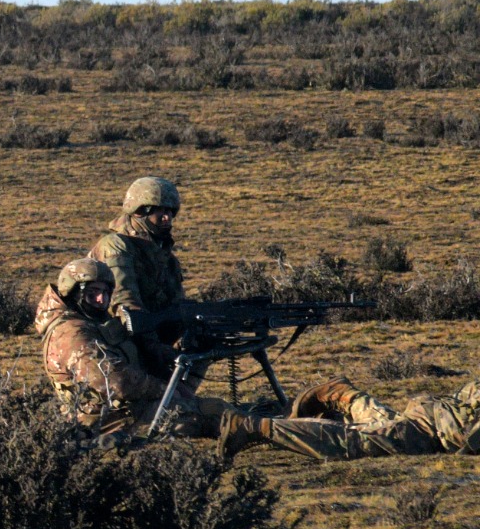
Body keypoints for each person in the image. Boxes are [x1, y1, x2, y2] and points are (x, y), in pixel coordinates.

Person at [36, 257, 230, 438]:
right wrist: (166, 390)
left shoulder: (96, 322)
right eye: (92, 293)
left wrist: (185, 353)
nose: (100, 300)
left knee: (214, 409)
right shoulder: (71, 333)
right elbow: (113, 381)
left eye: (105, 293)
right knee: (211, 415)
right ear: (73, 293)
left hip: (123, 411)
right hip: (105, 422)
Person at [87, 176, 201, 390]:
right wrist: (155, 348)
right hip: (113, 343)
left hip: (143, 339)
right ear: (140, 211)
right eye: (160, 212)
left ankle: (180, 397)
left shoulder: (165, 257)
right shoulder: (116, 247)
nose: (167, 218)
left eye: (170, 212)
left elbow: (176, 306)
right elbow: (125, 306)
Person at [220, 378, 480, 461]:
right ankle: (258, 428)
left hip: (440, 414)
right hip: (440, 428)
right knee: (354, 441)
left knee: (381, 427)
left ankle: (346, 396)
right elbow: (472, 439)